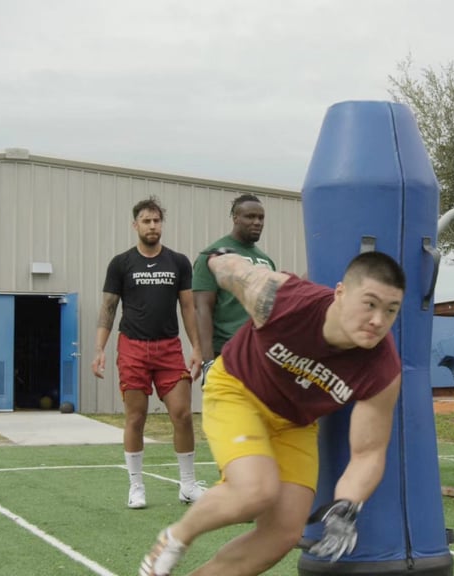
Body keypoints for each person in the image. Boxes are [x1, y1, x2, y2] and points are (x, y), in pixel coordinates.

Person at [139, 250, 405, 576]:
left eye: (391, 310)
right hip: (239, 389)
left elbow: (368, 452)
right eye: (370, 304)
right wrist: (215, 257)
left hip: (295, 422)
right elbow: (231, 268)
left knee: (282, 533)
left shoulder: (382, 369)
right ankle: (175, 539)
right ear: (340, 293)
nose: (379, 320)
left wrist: (346, 506)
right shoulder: (281, 299)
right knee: (254, 491)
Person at [92, 196, 205, 510]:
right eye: (146, 220)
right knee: (136, 418)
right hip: (133, 349)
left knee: (182, 415)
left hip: (169, 348)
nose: (152, 226)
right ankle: (137, 486)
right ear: (135, 225)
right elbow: (108, 309)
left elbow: (187, 307)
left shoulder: (178, 262)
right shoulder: (121, 263)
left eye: (156, 221)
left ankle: (188, 486)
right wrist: (99, 349)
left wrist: (196, 348)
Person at [192, 194, 275, 376]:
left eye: (261, 218)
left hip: (261, 353)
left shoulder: (266, 260)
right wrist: (208, 362)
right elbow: (202, 308)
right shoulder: (213, 255)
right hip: (227, 352)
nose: (257, 222)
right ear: (235, 218)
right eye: (250, 216)